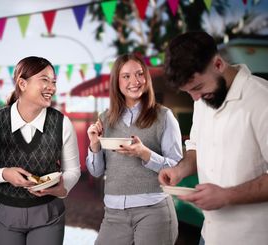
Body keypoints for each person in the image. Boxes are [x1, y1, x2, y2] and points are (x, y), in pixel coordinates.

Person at [159, 31, 268, 245]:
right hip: (208, 235)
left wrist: (227, 196)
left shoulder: (261, 100)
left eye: (198, 87)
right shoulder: (203, 99)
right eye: (188, 92)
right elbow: (196, 148)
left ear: (218, 64)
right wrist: (178, 171)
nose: (196, 98)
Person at [0, 56, 81, 245]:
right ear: (22, 84)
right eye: (44, 80)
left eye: (53, 82)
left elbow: (73, 170)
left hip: (48, 214)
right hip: (3, 216)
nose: (52, 88)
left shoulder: (62, 123)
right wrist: (5, 174)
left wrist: (62, 188)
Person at [86, 53, 182, 245]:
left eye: (139, 74)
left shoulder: (164, 116)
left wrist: (145, 154)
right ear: (117, 82)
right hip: (113, 213)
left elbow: (176, 167)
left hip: (153, 210)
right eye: (126, 76)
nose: (135, 81)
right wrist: (94, 145)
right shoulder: (105, 119)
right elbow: (96, 172)